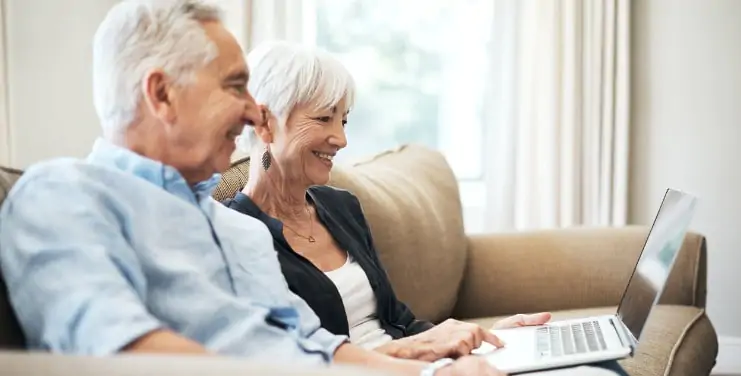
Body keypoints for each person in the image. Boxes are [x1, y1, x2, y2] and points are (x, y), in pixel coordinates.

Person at [0, 1, 503, 375]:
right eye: (235, 87)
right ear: (162, 94)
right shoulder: (63, 195)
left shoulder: (236, 229)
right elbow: (118, 351)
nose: (251, 111)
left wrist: (433, 370)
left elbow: (320, 348)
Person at [223, 41, 628, 376]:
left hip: (423, 366)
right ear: (264, 122)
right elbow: (299, 360)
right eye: (324, 118)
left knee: (603, 367)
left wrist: (489, 339)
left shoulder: (339, 206)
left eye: (344, 121)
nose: (340, 140)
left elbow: (399, 322)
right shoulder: (234, 234)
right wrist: (426, 355)